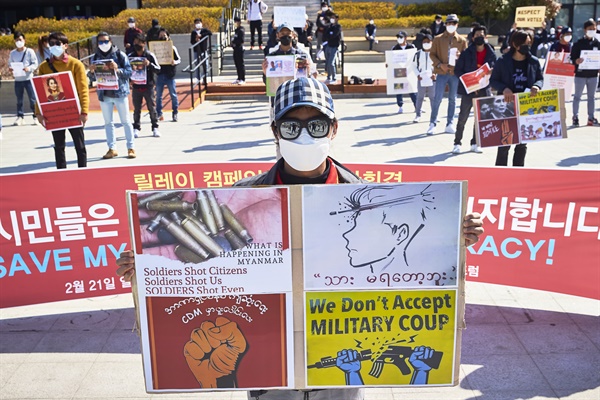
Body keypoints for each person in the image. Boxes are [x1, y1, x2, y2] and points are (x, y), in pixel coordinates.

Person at [115, 77, 485, 400]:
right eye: (292, 126)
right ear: (275, 131)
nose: (305, 135)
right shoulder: (239, 199)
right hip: (269, 372)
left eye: (317, 125)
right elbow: (205, 270)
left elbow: (405, 265)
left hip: (340, 372)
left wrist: (449, 238)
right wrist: (148, 270)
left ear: (334, 129)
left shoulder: (369, 197)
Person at [490, 29, 543, 167]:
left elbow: (540, 78)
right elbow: (493, 80)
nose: (527, 46)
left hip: (526, 107)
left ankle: (518, 172)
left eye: (529, 43)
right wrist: (504, 88)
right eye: (524, 44)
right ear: (514, 44)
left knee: (522, 144)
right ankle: (500, 173)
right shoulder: (502, 61)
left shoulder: (534, 62)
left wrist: (537, 86)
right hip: (506, 106)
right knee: (504, 143)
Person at [36, 31, 88, 169]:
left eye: (57, 44)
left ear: (65, 46)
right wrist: (38, 113)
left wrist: (84, 112)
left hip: (73, 110)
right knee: (59, 146)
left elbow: (83, 89)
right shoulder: (44, 67)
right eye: (51, 44)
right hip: (54, 112)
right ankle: (61, 173)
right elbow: (39, 92)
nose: (54, 46)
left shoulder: (76, 64)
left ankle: (83, 172)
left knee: (80, 145)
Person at [90, 32, 136, 159]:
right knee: (108, 122)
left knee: (126, 121)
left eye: (105, 41)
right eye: (100, 42)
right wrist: (92, 71)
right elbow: (92, 77)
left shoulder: (120, 54)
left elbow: (128, 72)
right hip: (104, 94)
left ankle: (131, 147)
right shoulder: (95, 57)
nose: (103, 44)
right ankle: (112, 148)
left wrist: (117, 69)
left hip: (119, 93)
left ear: (110, 41)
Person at [452, 25, 496, 154]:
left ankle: (475, 142)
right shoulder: (467, 52)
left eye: (482, 35)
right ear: (473, 37)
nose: (479, 37)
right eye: (477, 35)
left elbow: (495, 67)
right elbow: (458, 70)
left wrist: (492, 72)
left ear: (485, 36)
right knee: (463, 117)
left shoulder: (491, 52)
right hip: (469, 90)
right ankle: (457, 142)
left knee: (480, 118)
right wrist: (469, 83)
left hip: (484, 89)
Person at [427, 14, 467, 135]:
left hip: (455, 73)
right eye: (449, 23)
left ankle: (450, 123)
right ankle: (432, 123)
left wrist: (461, 57)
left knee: (453, 99)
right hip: (442, 72)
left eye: (453, 23)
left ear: (457, 25)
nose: (451, 26)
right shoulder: (438, 39)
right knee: (437, 98)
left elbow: (466, 58)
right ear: (445, 24)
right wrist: (440, 65)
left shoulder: (462, 40)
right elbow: (432, 54)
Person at [127, 33, 161, 138]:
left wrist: (149, 64)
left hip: (148, 86)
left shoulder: (150, 55)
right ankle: (136, 128)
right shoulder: (130, 56)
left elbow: (158, 69)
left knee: (152, 107)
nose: (136, 44)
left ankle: (155, 127)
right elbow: (126, 70)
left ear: (144, 44)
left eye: (139, 42)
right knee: (137, 109)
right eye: (135, 42)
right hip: (136, 86)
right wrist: (129, 80)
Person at [570, 19, 600, 127]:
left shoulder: (597, 43)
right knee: (577, 96)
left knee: (591, 97)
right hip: (580, 75)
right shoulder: (578, 43)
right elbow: (572, 58)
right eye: (590, 29)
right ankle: (575, 116)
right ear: (585, 30)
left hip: (593, 75)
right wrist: (576, 61)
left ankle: (591, 117)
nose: (592, 31)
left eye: (594, 29)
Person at [9, 31, 38, 126]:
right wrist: (11, 69)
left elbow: (35, 63)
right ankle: (20, 116)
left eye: (20, 40)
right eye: (17, 40)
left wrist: (28, 68)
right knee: (19, 99)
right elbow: (10, 63)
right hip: (18, 79)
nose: (19, 42)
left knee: (32, 99)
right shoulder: (12, 53)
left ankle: (35, 116)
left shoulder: (29, 51)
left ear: (24, 40)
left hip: (28, 78)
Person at [155, 28, 181, 122]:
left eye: (164, 36)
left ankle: (175, 113)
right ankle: (159, 113)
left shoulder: (172, 48)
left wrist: (175, 62)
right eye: (160, 36)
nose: (162, 37)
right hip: (160, 74)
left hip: (170, 74)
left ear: (168, 36)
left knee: (173, 95)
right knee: (158, 95)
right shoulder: (155, 48)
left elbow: (179, 59)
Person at [411, 34, 435, 123]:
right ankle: (418, 115)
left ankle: (434, 115)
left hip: (432, 79)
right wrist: (417, 74)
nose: (426, 43)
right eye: (424, 42)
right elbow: (413, 66)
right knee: (420, 97)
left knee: (433, 98)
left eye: (428, 42)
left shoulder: (435, 53)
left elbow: (438, 65)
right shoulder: (417, 54)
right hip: (421, 78)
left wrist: (435, 74)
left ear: (432, 42)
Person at [391, 30, 417, 114]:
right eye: (398, 37)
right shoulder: (394, 48)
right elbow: (391, 60)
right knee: (399, 89)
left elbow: (415, 59)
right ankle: (400, 106)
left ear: (405, 38)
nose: (399, 39)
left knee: (412, 89)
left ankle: (417, 106)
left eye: (401, 37)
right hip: (399, 71)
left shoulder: (411, 47)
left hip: (409, 71)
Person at [323, 12, 342, 84]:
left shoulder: (338, 27)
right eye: (331, 18)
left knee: (331, 63)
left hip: (334, 46)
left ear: (337, 19)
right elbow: (326, 34)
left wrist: (330, 35)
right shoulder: (329, 26)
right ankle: (328, 77)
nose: (332, 19)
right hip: (328, 45)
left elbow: (334, 35)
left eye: (333, 18)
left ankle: (334, 77)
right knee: (327, 62)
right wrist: (329, 35)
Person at [232, 16, 246, 85]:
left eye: (236, 22)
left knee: (240, 64)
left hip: (239, 48)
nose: (235, 23)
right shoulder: (236, 30)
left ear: (239, 22)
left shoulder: (241, 30)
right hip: (235, 49)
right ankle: (238, 77)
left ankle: (242, 78)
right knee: (237, 64)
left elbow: (241, 40)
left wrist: (235, 42)